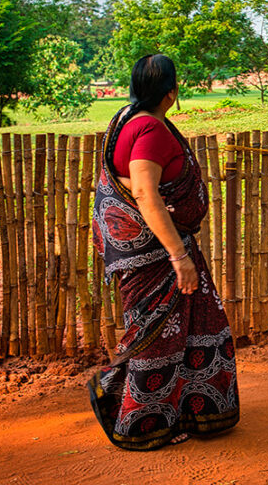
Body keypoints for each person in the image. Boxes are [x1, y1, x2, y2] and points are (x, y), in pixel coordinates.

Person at [88, 54, 239, 451]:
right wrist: (179, 257)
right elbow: (144, 193)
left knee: (182, 332)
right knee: (157, 339)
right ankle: (141, 426)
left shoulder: (125, 118)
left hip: (154, 252)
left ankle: (183, 413)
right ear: (172, 91)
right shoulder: (150, 130)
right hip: (157, 256)